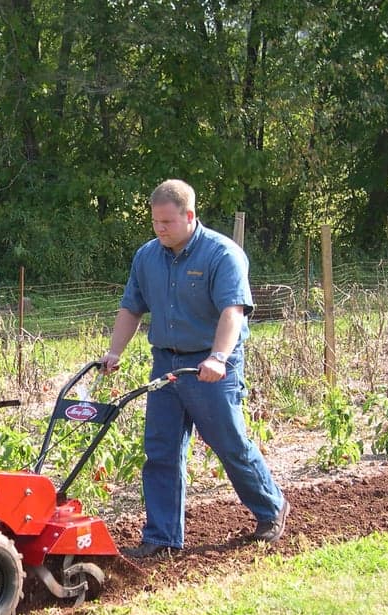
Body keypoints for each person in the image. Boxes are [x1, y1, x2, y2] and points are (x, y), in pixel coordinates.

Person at [100, 179, 289, 557]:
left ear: (189, 216)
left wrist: (218, 358)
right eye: (155, 221)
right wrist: (114, 352)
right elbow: (131, 307)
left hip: (211, 363)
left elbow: (232, 311)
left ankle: (270, 507)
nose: (160, 228)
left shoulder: (222, 254)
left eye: (167, 221)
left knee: (229, 443)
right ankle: (162, 537)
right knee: (160, 449)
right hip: (166, 363)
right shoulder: (147, 257)